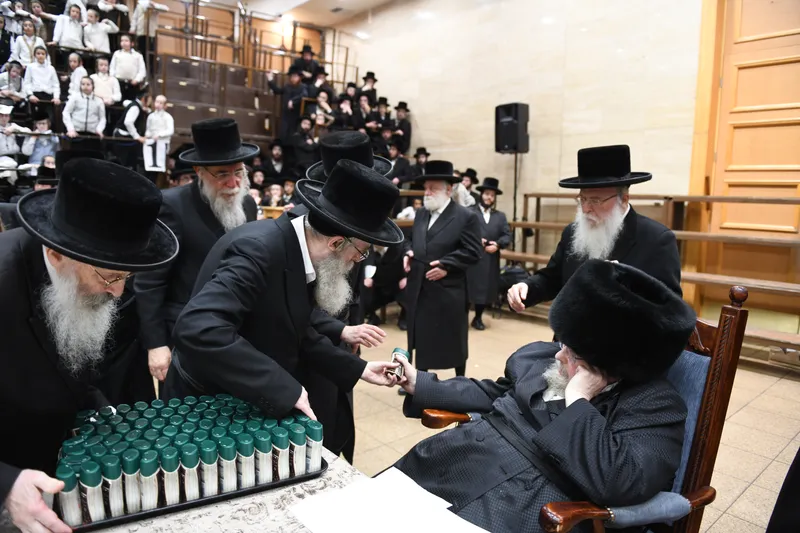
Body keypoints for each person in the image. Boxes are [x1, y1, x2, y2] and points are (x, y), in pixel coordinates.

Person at [392, 259, 696, 533]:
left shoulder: (656, 406)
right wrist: (420, 383)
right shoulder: (543, 356)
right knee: (387, 504)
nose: (559, 355)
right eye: (564, 343)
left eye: (573, 354)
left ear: (612, 368)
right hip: (462, 456)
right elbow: (493, 393)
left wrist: (578, 400)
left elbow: (621, 482)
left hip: (530, 502)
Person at [0, 156, 179, 533]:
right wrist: (6, 483)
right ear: (56, 254)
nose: (118, 293)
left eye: (128, 276)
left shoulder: (89, 280)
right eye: (110, 277)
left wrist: (103, 412)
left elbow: (71, 368)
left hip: (56, 470)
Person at [165, 157, 405, 422]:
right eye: (361, 252)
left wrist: (359, 369)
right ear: (336, 243)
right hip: (206, 402)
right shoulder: (258, 250)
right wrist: (283, 388)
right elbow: (198, 326)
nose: (357, 261)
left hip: (236, 396)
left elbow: (297, 330)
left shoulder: (301, 248)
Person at [283, 131, 393, 460]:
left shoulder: (360, 217)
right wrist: (340, 330)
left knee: (340, 413)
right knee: (316, 429)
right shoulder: (301, 227)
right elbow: (291, 302)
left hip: (344, 334)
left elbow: (352, 285)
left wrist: (352, 329)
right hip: (307, 344)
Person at [134, 118, 258, 386]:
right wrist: (155, 344)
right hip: (185, 334)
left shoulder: (248, 205)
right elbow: (149, 281)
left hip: (235, 332)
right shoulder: (171, 206)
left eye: (239, 171)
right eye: (222, 174)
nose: (234, 182)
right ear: (199, 171)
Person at [507, 145, 682, 313]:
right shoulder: (572, 233)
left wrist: (626, 286)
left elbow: (670, 310)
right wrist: (526, 288)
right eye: (582, 199)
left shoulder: (657, 240)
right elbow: (552, 278)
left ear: (624, 199)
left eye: (596, 201)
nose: (585, 209)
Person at [403, 160, 482, 379]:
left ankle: (459, 381)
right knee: (421, 336)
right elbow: (411, 240)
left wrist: (447, 265)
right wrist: (408, 253)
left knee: (452, 339)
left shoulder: (466, 216)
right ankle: (419, 381)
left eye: (433, 188)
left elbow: (474, 251)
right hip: (419, 286)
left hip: (448, 289)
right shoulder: (421, 213)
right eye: (426, 187)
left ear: (448, 189)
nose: (427, 192)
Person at [466, 177, 510, 330]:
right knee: (468, 288)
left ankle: (478, 317)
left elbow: (507, 235)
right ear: (481, 194)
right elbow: (462, 231)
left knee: (485, 290)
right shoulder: (470, 212)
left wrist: (497, 244)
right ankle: (461, 318)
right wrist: (476, 239)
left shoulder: (500, 216)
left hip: (490, 259)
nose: (489, 197)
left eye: (492, 195)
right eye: (486, 194)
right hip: (471, 257)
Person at [62, 76, 105, 149]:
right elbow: (66, 112)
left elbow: (102, 118)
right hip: (76, 132)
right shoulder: (75, 97)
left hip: (92, 133)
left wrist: (99, 129)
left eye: (88, 84)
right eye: (83, 84)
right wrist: (70, 129)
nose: (85, 87)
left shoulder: (99, 101)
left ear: (93, 86)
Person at [267, 65, 307, 141]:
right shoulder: (287, 86)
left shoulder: (302, 87)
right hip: (286, 114)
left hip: (296, 115)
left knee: (293, 135)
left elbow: (304, 95)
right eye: (292, 76)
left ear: (299, 77)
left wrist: (293, 101)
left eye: (295, 76)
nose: (293, 78)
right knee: (283, 133)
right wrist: (270, 78)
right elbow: (277, 90)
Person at [142, 93, 173, 172]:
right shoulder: (151, 116)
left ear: (165, 105)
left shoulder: (168, 117)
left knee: (160, 165)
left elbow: (170, 130)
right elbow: (148, 129)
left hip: (162, 143)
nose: (158, 104)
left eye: (161, 103)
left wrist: (159, 135)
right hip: (151, 142)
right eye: (157, 102)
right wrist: (147, 135)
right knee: (149, 164)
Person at [109, 33, 146, 100]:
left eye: (126, 41)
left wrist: (137, 80)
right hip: (119, 82)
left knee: (131, 102)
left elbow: (142, 70)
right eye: (122, 40)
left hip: (132, 83)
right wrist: (113, 78)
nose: (124, 43)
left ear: (132, 43)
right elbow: (112, 67)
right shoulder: (117, 54)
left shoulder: (138, 55)